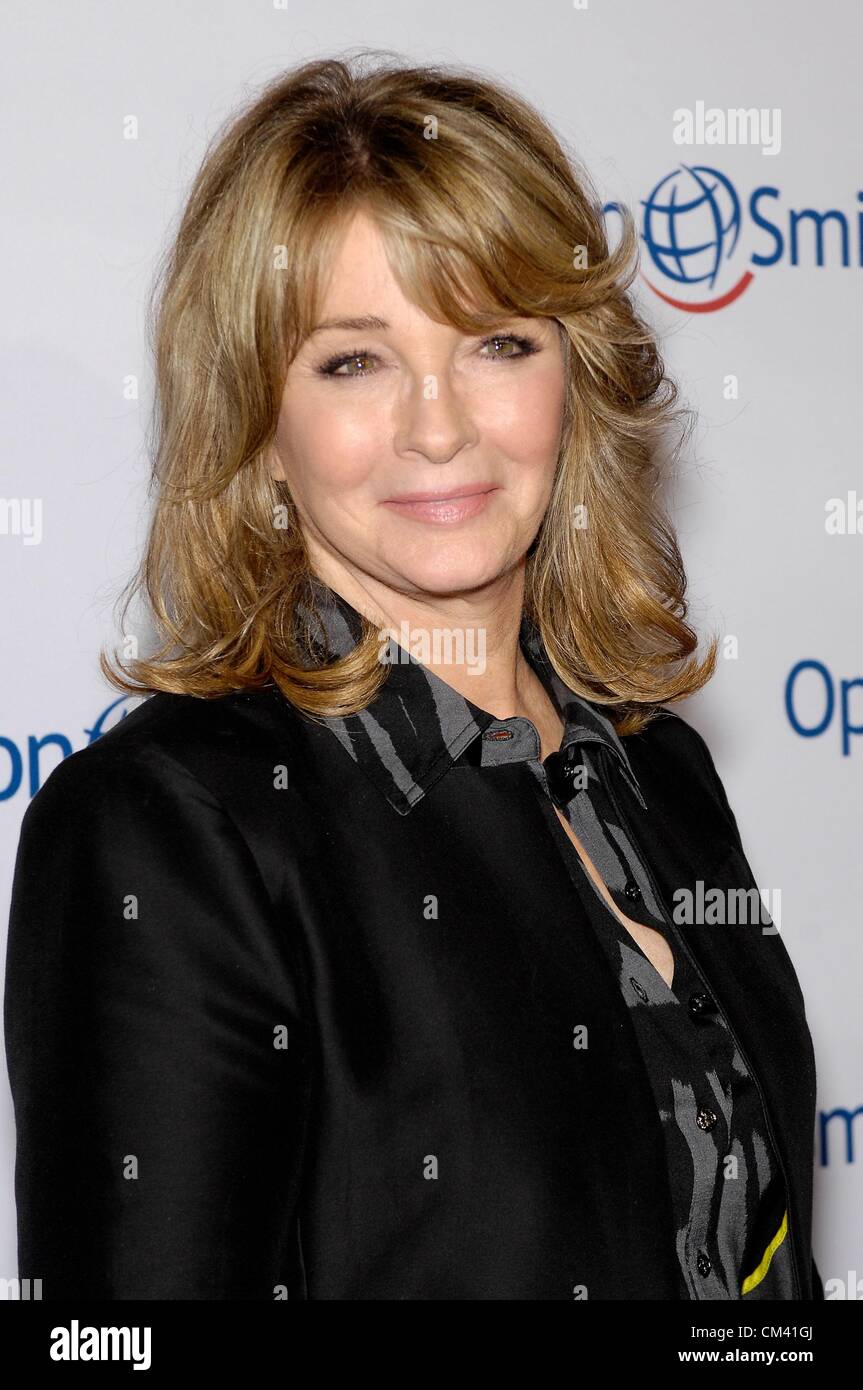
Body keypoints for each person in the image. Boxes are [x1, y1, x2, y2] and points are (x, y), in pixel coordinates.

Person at [3, 52, 822, 1301]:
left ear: (572, 379)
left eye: (495, 341)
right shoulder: (169, 829)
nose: (438, 425)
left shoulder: (656, 767)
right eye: (354, 361)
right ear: (257, 428)